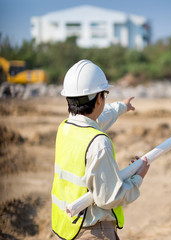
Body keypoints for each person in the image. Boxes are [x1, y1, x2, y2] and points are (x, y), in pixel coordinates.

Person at [51, 59, 150, 240]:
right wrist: (137, 177)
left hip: (66, 229)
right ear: (98, 98)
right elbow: (109, 198)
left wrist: (122, 107)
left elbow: (97, 119)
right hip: (92, 232)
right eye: (104, 94)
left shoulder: (65, 128)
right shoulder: (98, 143)